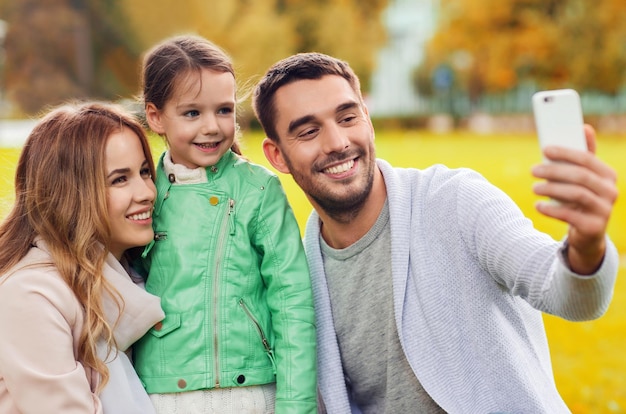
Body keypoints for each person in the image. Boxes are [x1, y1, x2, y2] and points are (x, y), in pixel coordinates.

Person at [253, 52, 619, 413]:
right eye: (308, 131)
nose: (337, 142)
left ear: (367, 119)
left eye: (348, 117)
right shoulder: (297, 280)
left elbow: (566, 293)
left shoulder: (456, 200)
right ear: (278, 156)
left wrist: (586, 248)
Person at [132, 35, 317, 414]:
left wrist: (296, 405)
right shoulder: (143, 191)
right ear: (155, 116)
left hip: (252, 392)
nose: (212, 127)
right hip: (163, 394)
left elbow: (291, 299)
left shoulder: (258, 190)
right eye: (192, 113)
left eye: (223, 110)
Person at [0, 102, 165, 413]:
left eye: (144, 171)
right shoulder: (31, 295)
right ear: (70, 193)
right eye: (119, 179)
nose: (146, 192)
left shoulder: (134, 281)